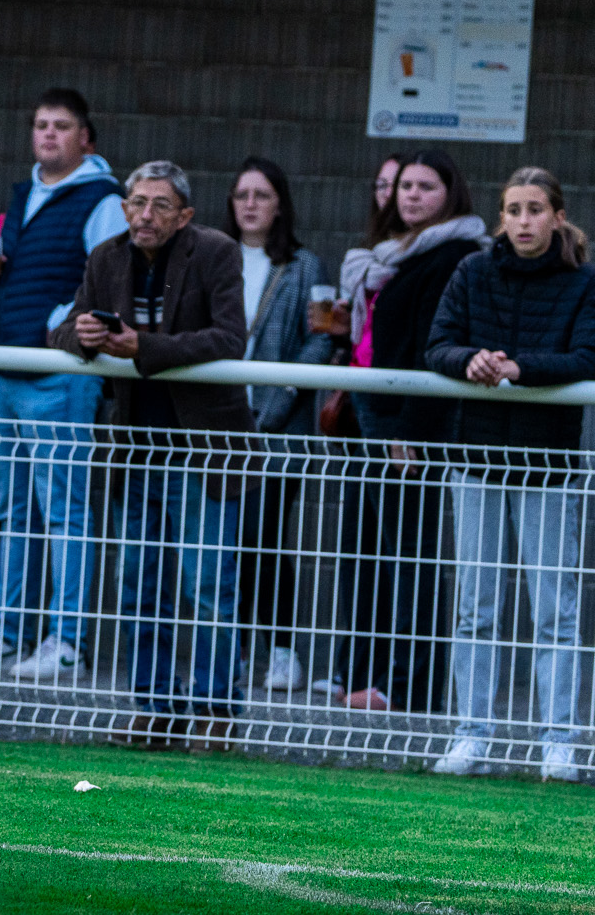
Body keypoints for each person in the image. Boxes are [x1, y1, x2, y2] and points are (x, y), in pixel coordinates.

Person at [51, 160, 252, 752]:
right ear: (123, 208)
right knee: (139, 583)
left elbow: (230, 338)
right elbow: (60, 331)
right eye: (137, 203)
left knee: (208, 585)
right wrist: (84, 337)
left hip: (203, 447)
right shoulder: (106, 257)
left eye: (160, 205)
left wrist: (144, 347)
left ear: (185, 215)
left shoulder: (215, 251)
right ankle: (154, 706)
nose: (145, 215)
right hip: (135, 447)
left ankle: (216, 708)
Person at [424, 168, 595, 782]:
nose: (524, 221)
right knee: (476, 606)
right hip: (476, 460)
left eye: (535, 209)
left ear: (557, 216)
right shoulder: (471, 271)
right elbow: (437, 345)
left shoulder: (583, 281)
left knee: (555, 611)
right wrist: (470, 360)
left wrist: (518, 368)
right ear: (501, 217)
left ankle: (560, 741)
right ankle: (471, 734)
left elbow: (586, 357)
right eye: (514, 209)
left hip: (545, 466)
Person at [0, 87, 125, 680]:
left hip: (60, 374)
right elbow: (24, 281)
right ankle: (8, 630)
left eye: (62, 125)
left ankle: (68, 639)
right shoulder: (22, 194)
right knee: (12, 509)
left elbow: (111, 283)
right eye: (41, 124)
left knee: (63, 511)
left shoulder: (104, 199)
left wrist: (58, 323)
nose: (49, 134)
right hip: (5, 368)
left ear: (86, 139)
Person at [329, 149, 487, 713]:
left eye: (425, 186)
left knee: (411, 555)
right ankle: (373, 676)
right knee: (375, 550)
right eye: (405, 186)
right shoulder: (393, 253)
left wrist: (411, 431)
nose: (411, 195)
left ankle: (410, 688)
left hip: (408, 420)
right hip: (371, 411)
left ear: (450, 193)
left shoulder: (453, 254)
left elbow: (431, 348)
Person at [226, 157, 336, 696]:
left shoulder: (303, 265)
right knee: (226, 540)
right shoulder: (213, 256)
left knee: (263, 536)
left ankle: (283, 649)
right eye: (242, 195)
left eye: (262, 195)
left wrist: (286, 390)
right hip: (221, 424)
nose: (250, 204)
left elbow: (323, 338)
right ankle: (234, 650)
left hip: (278, 429)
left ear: (280, 205)